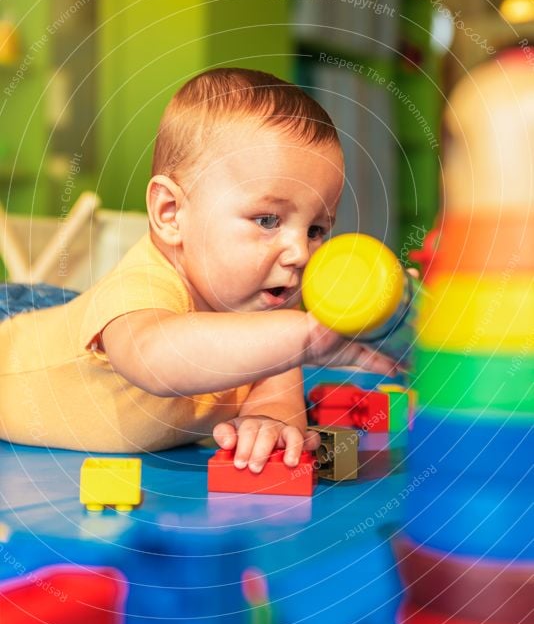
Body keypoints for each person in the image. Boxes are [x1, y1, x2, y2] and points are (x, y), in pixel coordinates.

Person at [0, 68, 397, 471]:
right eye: (267, 220)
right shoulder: (142, 287)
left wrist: (269, 422)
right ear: (171, 214)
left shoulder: (268, 317)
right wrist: (309, 340)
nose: (300, 252)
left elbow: (276, 394)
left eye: (316, 229)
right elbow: (155, 358)